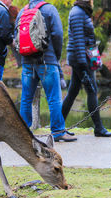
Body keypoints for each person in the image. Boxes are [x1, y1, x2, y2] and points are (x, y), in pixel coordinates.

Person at [15, 0, 76, 142]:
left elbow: (15, 37)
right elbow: (58, 34)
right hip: (47, 60)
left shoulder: (21, 12)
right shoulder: (49, 9)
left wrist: (21, 57)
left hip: (27, 62)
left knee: (26, 98)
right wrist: (56, 56)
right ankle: (58, 131)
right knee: (54, 98)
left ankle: (23, 132)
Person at [62, 0, 111, 137]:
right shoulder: (78, 12)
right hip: (81, 59)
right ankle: (99, 128)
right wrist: (83, 63)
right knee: (92, 90)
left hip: (81, 57)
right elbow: (78, 40)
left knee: (72, 92)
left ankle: (58, 127)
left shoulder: (81, 11)